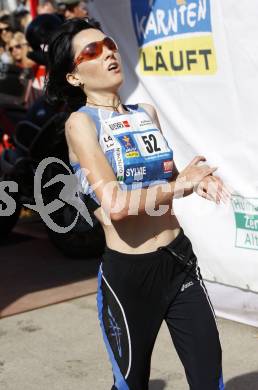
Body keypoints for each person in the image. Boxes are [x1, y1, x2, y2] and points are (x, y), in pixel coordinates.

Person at [46, 18, 230, 390]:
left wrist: (199, 181)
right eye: (92, 51)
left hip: (178, 263)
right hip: (129, 277)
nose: (108, 52)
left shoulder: (145, 114)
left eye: (109, 43)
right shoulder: (80, 124)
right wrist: (180, 186)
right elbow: (115, 205)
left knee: (210, 381)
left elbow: (170, 180)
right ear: (74, 77)